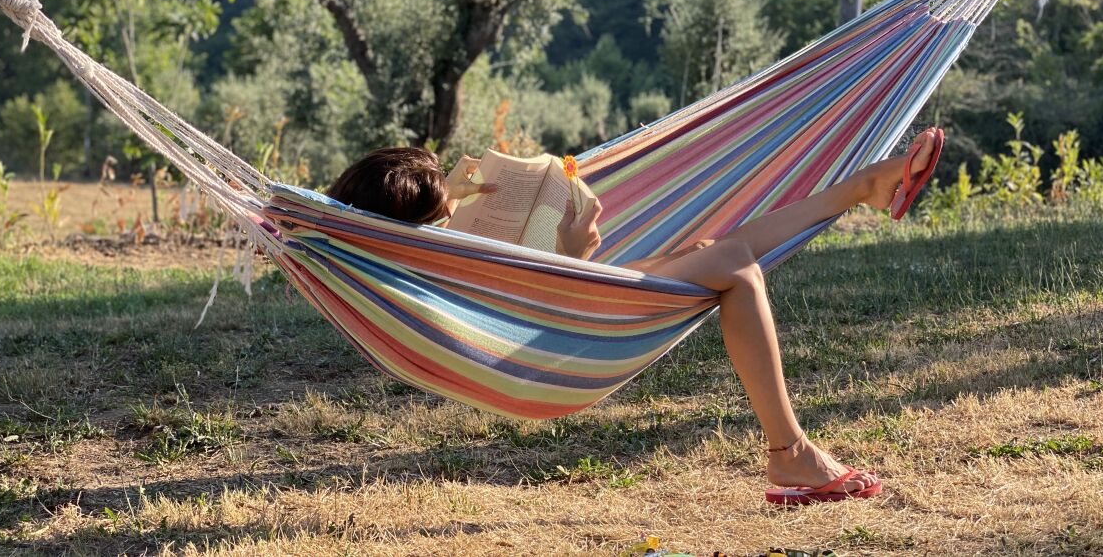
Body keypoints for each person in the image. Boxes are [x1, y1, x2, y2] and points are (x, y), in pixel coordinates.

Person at [326, 129, 942, 505]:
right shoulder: (409, 273)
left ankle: (862, 187)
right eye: (440, 218)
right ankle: (790, 452)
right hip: (542, 350)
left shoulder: (394, 256)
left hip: (559, 316)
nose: (451, 220)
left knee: (707, 255)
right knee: (731, 265)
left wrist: (566, 252)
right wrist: (570, 255)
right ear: (405, 233)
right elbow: (511, 318)